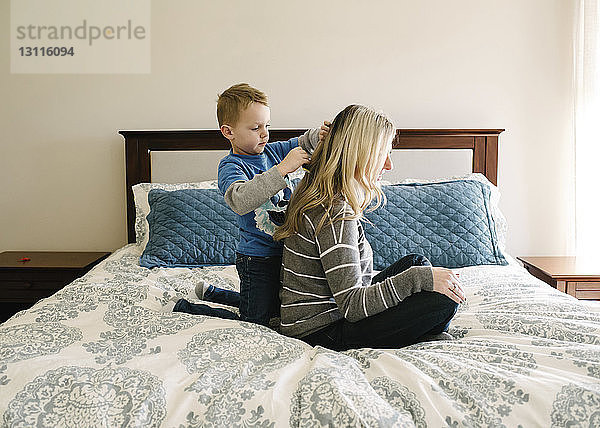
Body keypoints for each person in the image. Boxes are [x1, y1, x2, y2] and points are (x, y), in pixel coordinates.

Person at [273, 104, 465, 351]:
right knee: (442, 300)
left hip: (330, 315)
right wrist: (420, 280)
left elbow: (356, 287)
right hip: (321, 331)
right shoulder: (334, 212)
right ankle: (419, 332)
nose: (388, 165)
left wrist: (419, 276)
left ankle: (419, 330)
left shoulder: (328, 194)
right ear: (359, 153)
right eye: (382, 154)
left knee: (416, 262)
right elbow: (352, 305)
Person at [174, 83, 328, 326]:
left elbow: (303, 143)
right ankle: (188, 308)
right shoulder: (231, 166)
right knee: (255, 321)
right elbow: (239, 200)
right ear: (228, 132)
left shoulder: (273, 152)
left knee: (276, 310)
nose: (264, 134)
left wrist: (319, 135)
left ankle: (217, 293)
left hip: (288, 253)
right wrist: (282, 170)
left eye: (267, 126)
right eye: (256, 128)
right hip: (256, 259)